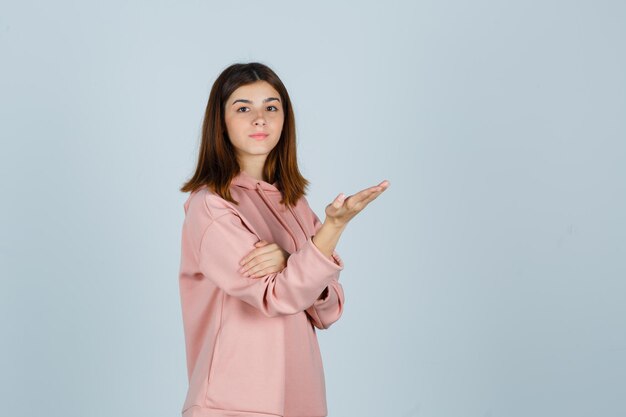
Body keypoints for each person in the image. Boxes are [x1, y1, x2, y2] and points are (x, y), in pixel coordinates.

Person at [178, 62, 389, 417]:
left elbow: (329, 307)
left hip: (301, 400)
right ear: (221, 121)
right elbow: (278, 295)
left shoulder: (293, 204)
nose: (260, 118)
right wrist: (332, 229)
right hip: (234, 402)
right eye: (243, 107)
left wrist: (292, 259)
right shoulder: (211, 207)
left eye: (271, 107)